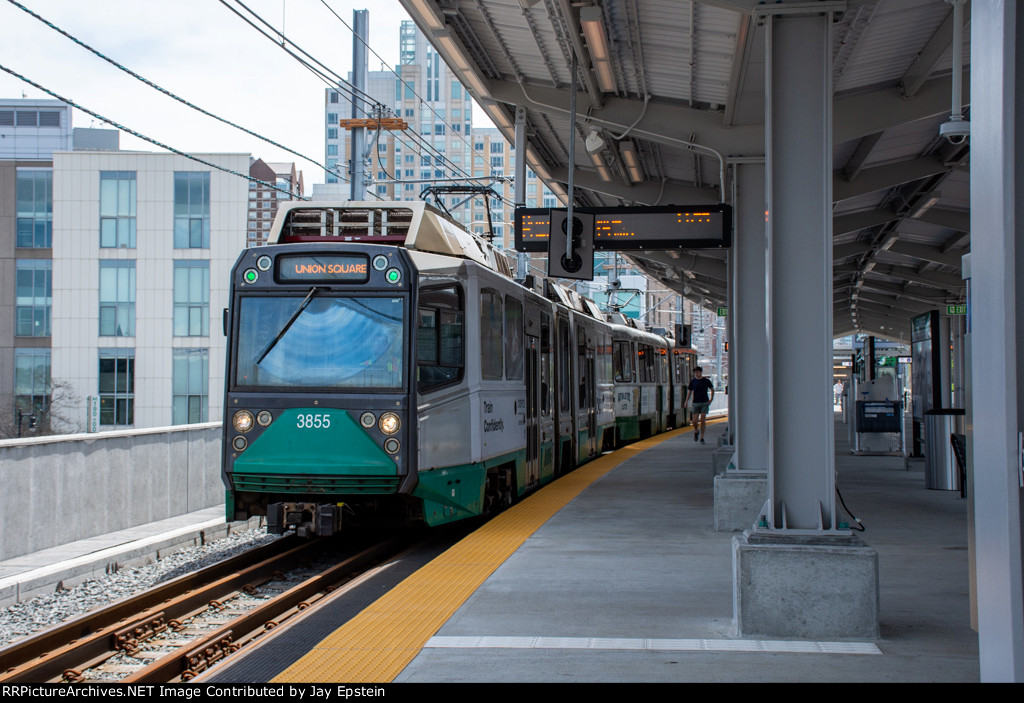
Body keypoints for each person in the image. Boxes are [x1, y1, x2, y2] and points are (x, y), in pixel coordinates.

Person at [685, 366, 715, 444]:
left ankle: (702, 437)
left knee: (702, 419)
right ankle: (696, 431)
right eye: (695, 372)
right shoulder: (693, 381)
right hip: (695, 403)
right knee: (694, 421)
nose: (696, 374)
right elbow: (689, 392)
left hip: (704, 402)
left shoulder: (706, 381)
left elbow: (712, 389)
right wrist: (686, 401)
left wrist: (711, 399)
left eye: (697, 372)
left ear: (701, 372)